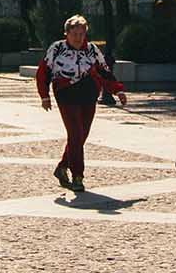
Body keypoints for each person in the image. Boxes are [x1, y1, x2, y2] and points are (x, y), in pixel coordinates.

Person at [36, 15, 125, 192]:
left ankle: (62, 166)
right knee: (75, 133)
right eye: (74, 34)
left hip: (88, 94)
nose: (78, 38)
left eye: (81, 34)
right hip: (66, 94)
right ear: (67, 33)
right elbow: (43, 72)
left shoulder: (92, 49)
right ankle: (78, 176)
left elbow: (104, 71)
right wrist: (44, 96)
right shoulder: (57, 48)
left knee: (82, 134)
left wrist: (117, 90)